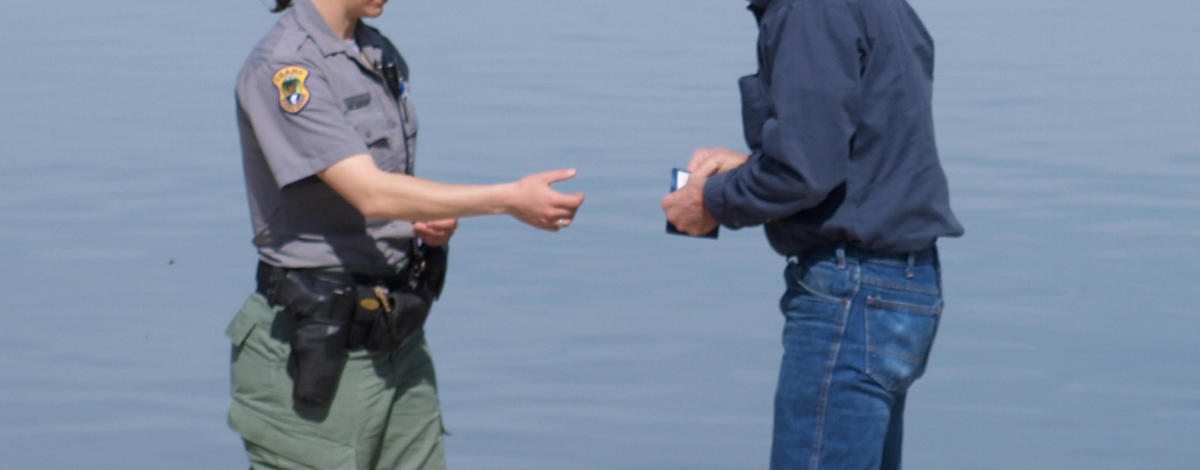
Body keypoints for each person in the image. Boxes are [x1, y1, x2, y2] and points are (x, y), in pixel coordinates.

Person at [226, 0, 584, 468]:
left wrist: (422, 227)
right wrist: (509, 199)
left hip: (398, 340)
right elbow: (371, 194)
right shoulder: (286, 67)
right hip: (312, 351)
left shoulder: (378, 53)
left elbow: (389, 193)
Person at [662, 0, 964, 468]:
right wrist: (747, 169)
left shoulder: (810, 9)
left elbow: (803, 170)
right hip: (900, 284)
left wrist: (710, 201)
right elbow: (868, 146)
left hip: (852, 294)